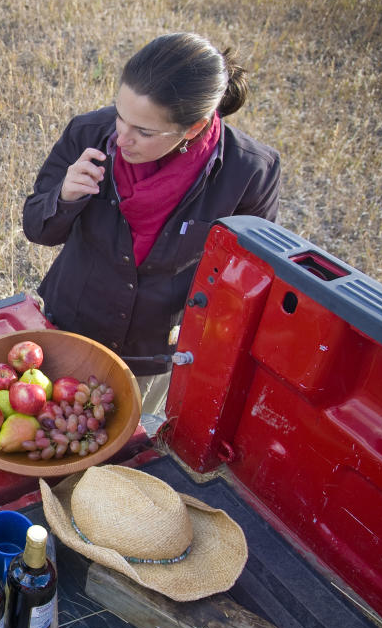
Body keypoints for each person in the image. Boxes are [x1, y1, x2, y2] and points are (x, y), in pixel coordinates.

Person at [22, 33, 280, 415]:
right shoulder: (88, 133)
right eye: (120, 116)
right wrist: (64, 197)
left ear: (192, 128)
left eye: (143, 131)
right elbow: (36, 228)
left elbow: (248, 280)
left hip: (150, 356)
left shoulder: (250, 173)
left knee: (117, 457)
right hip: (68, 329)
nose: (121, 138)